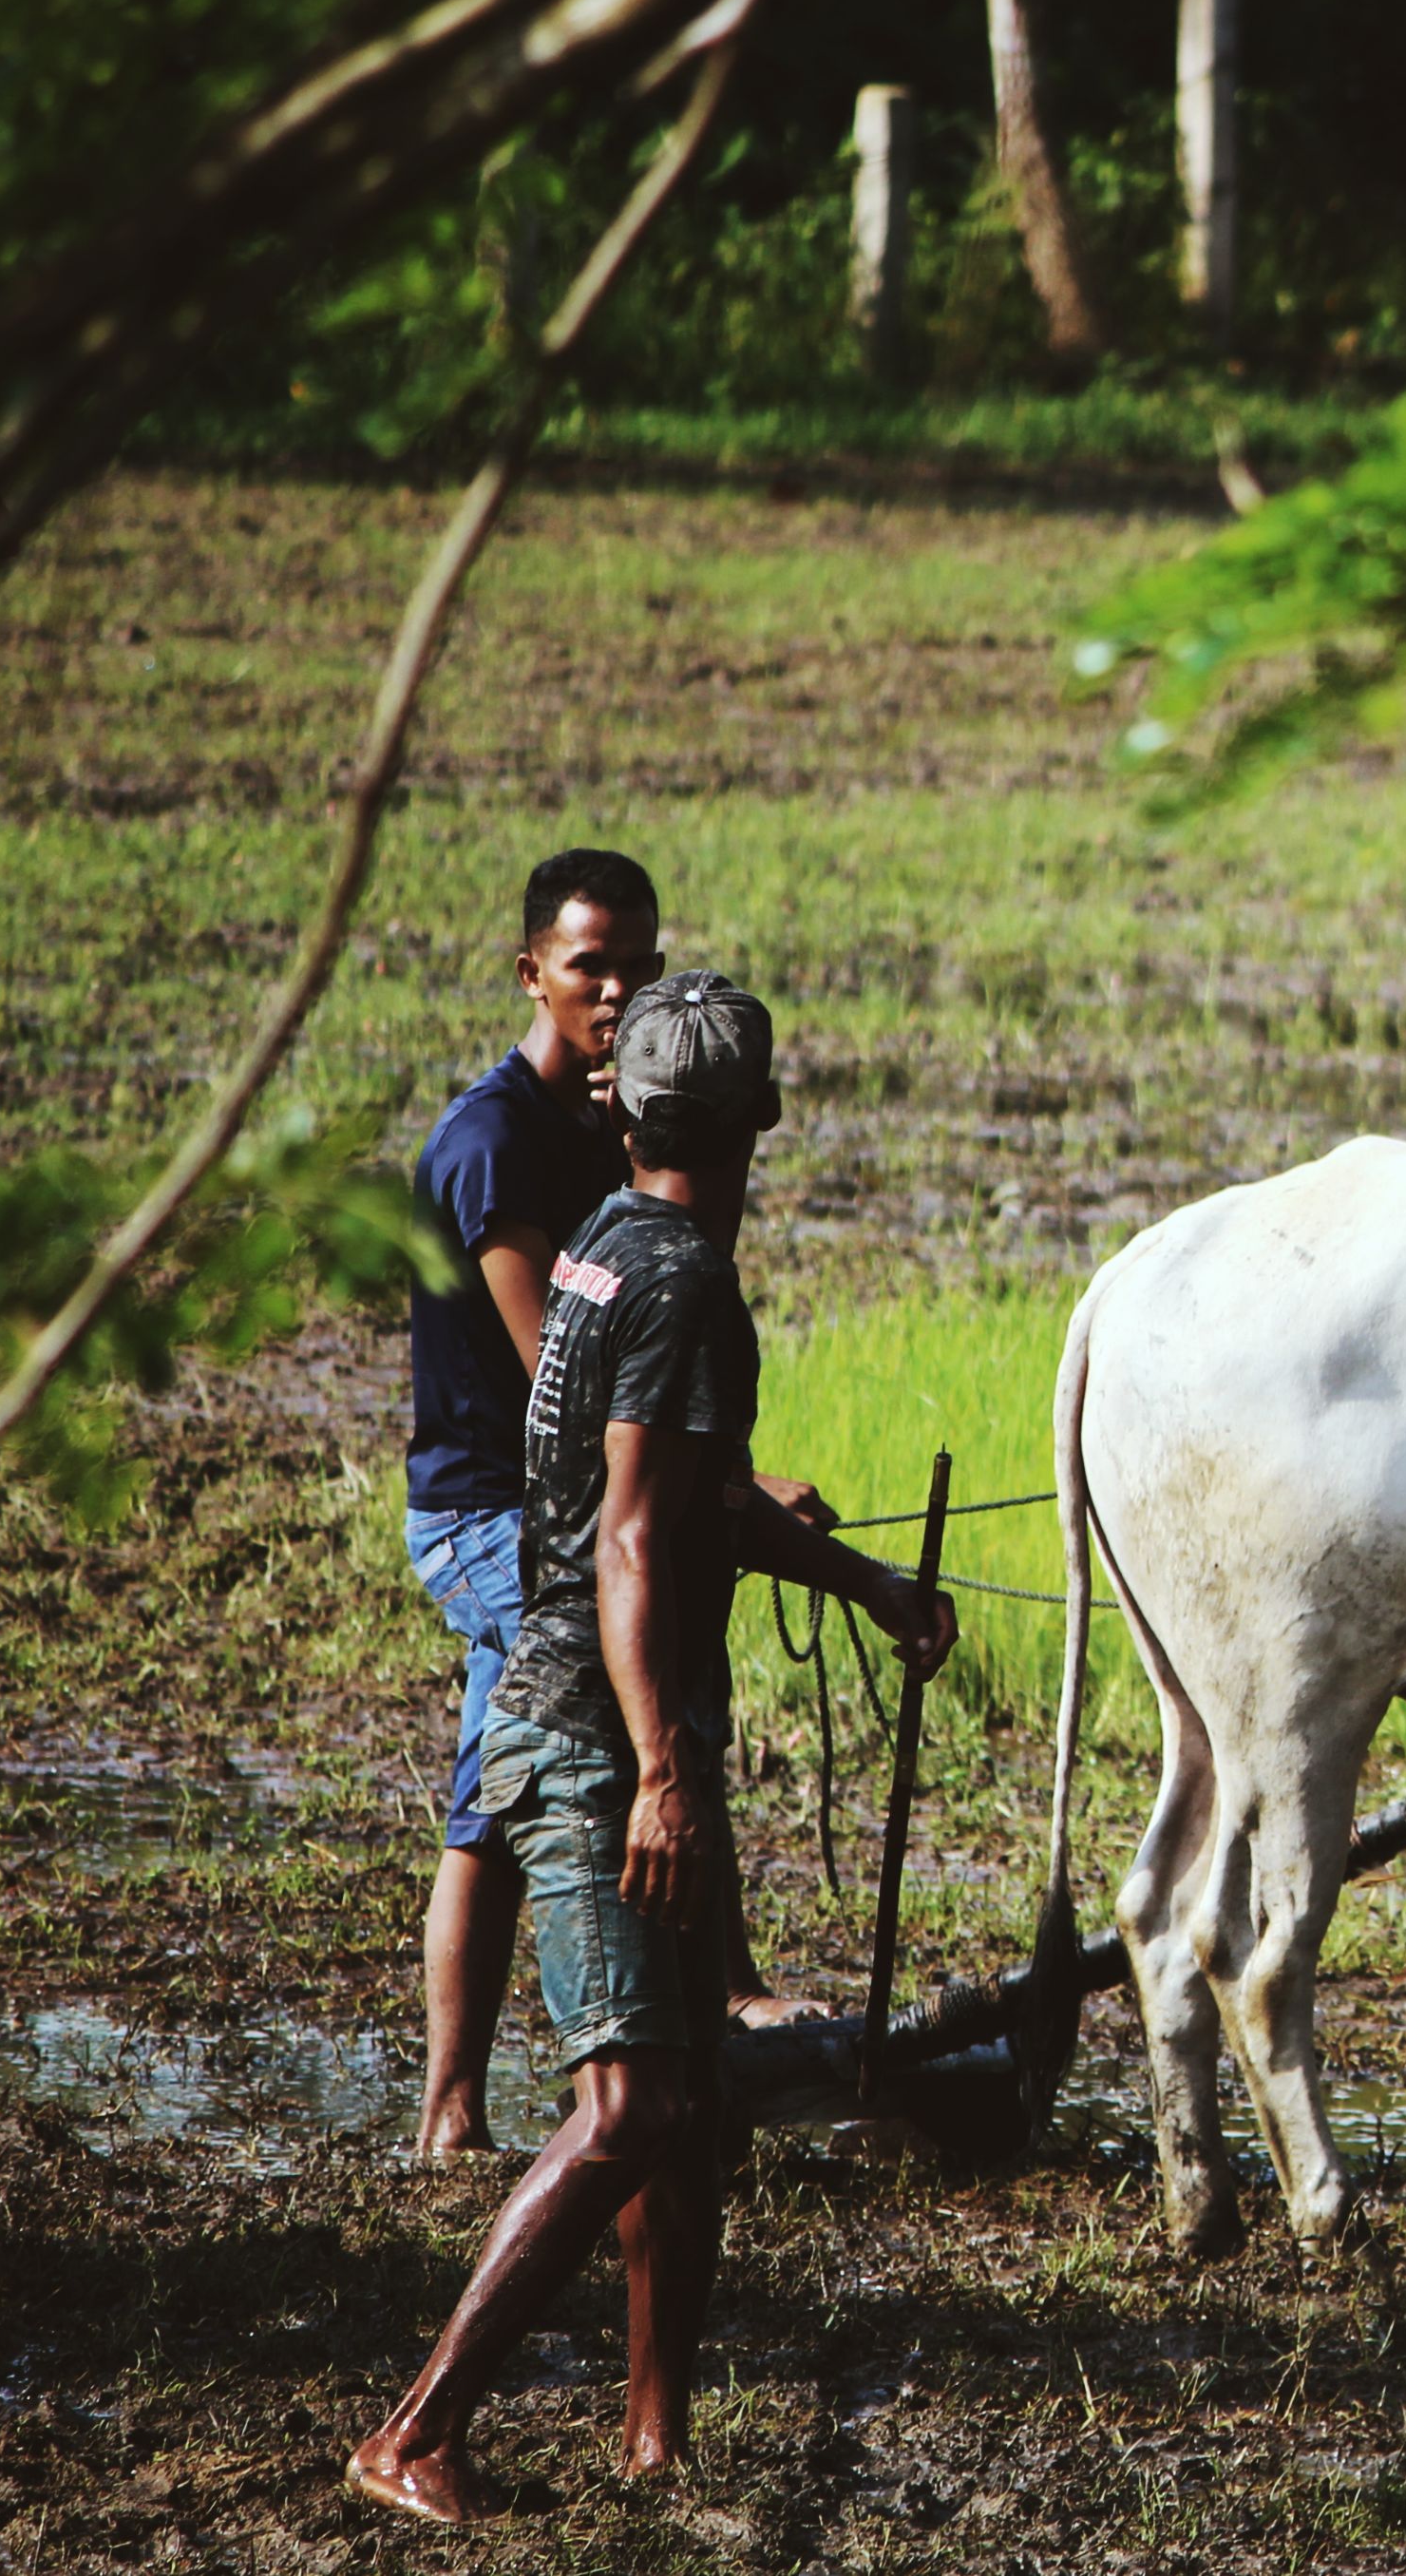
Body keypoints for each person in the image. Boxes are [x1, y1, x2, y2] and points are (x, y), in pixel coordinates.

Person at [349, 974, 958, 2523]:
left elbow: (690, 1496)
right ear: (761, 1121)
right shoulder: (689, 1283)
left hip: (601, 1711)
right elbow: (628, 1542)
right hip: (596, 1735)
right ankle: (411, 2436)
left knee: (689, 2114)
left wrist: (868, 1584)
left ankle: (654, 2436)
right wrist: (666, 1772)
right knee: (628, 2109)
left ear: (623, 1110)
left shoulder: (608, 1251)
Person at [404, 851, 824, 2153]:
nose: (618, 987)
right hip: (492, 1504)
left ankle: (700, 2001)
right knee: (519, 1758)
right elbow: (566, 1388)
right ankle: (457, 2105)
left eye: (639, 964)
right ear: (533, 972)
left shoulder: (617, 1116)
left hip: (577, 1492)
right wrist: (740, 1489)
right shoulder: (492, 1144)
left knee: (622, 1698)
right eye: (591, 965)